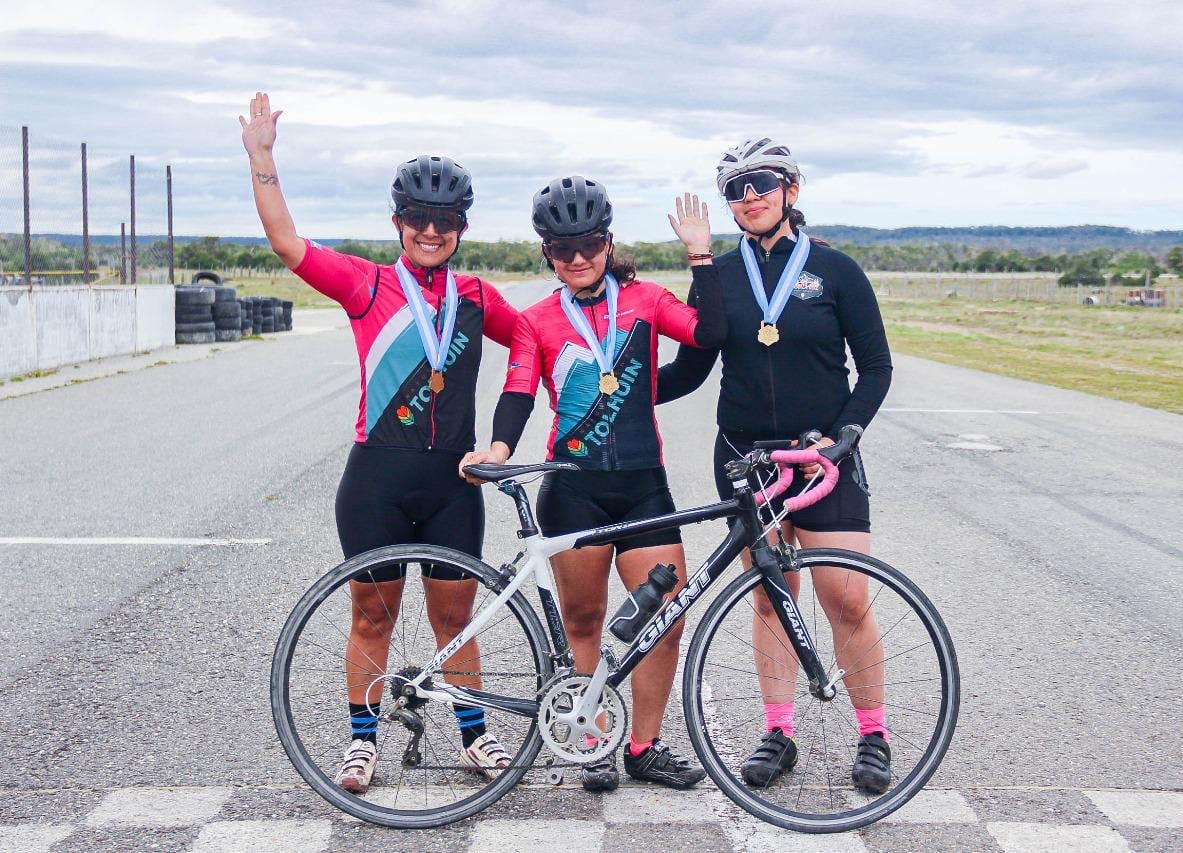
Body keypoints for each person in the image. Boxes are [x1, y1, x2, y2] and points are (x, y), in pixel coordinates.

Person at [240, 92, 520, 794]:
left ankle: (475, 735)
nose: (430, 230)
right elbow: (286, 244)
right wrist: (262, 158)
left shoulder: (479, 296)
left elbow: (531, 343)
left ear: (461, 226)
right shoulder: (367, 286)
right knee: (372, 613)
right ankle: (361, 743)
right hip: (377, 478)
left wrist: (502, 439)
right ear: (398, 221)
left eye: (444, 220)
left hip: (455, 480)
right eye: (418, 218)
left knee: (455, 617)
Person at [459, 176, 725, 791]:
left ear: (608, 242)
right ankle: (591, 739)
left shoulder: (648, 300)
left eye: (589, 244)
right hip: (572, 490)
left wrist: (700, 258)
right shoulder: (536, 320)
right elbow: (520, 389)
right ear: (546, 252)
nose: (577, 259)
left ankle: (644, 746)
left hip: (643, 485)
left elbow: (707, 337)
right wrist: (498, 448)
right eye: (562, 248)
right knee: (584, 621)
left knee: (666, 618)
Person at [655, 138, 895, 793]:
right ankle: (779, 730)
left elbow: (876, 367)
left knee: (845, 597)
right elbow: (692, 366)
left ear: (791, 188)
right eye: (735, 189)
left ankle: (873, 733)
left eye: (760, 183)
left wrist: (843, 437)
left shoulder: (836, 270)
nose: (749, 197)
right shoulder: (723, 278)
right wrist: (621, 390)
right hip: (745, 459)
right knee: (770, 596)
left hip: (820, 458)